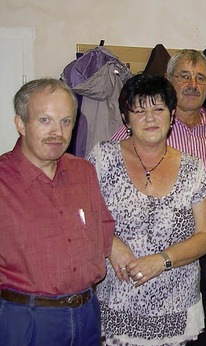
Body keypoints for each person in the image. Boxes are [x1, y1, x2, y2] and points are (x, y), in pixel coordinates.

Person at [112, 49, 206, 345]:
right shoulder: (133, 132)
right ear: (168, 81)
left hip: (199, 260)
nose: (192, 83)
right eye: (184, 76)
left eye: (200, 78)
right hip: (132, 271)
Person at [88, 73, 206, 345]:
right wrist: (109, 242)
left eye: (158, 109)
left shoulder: (194, 168)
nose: (150, 118)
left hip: (176, 306)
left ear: (172, 116)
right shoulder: (103, 157)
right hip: (117, 302)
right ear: (125, 118)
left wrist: (162, 260)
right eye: (140, 110)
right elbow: (82, 216)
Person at [0, 78, 115, 345]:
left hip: (86, 314)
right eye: (45, 121)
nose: (57, 132)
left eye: (66, 121)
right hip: (26, 320)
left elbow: (103, 231)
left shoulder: (83, 172)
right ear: (21, 124)